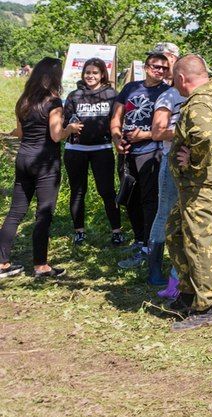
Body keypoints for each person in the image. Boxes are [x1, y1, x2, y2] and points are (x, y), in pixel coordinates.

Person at [165, 54, 212, 330]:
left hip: (202, 181)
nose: (174, 85)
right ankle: (188, 292)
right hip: (201, 181)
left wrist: (195, 160)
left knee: (198, 239)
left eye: (174, 80)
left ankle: (207, 306)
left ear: (182, 78)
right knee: (175, 230)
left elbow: (203, 136)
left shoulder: (200, 102)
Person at [0, 58, 68, 279]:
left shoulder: (24, 101)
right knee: (43, 213)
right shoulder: (54, 102)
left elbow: (19, 133)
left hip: (24, 159)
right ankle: (41, 265)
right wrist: (72, 128)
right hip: (45, 161)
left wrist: (9, 133)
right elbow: (56, 135)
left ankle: (2, 263)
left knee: (16, 212)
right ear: (55, 77)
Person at [111, 52, 171, 268]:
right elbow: (116, 117)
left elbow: (167, 127)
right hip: (127, 151)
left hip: (151, 151)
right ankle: (138, 239)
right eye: (156, 67)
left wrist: (144, 135)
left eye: (165, 68)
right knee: (130, 197)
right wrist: (117, 138)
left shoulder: (167, 92)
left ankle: (148, 245)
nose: (160, 71)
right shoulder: (130, 88)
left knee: (149, 200)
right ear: (146, 67)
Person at [62, 57, 125, 246]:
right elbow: (65, 121)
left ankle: (116, 231)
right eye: (87, 72)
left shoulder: (112, 95)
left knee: (107, 191)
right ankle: (79, 231)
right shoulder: (74, 95)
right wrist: (70, 126)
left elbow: (118, 121)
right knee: (78, 191)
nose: (90, 76)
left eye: (95, 73)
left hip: (102, 149)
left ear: (102, 75)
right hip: (75, 150)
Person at [146, 43, 182, 284]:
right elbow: (158, 132)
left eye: (171, 57)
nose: (167, 62)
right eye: (162, 59)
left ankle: (181, 268)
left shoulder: (198, 90)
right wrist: (186, 131)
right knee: (165, 212)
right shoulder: (167, 95)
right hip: (171, 158)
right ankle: (154, 267)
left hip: (199, 160)